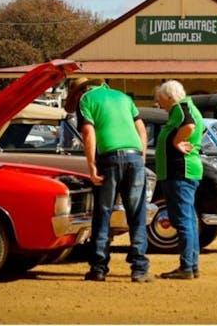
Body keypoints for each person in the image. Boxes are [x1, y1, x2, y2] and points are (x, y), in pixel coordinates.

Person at [64, 76, 153, 283]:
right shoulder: (123, 97)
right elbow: (141, 128)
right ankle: (139, 269)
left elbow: (88, 133)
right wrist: (141, 155)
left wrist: (92, 166)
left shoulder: (86, 100)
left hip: (109, 158)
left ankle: (99, 268)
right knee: (137, 214)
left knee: (103, 214)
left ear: (80, 91)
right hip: (134, 156)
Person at [154, 79, 204, 280]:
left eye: (161, 101)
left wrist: (176, 141)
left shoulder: (180, 108)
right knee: (188, 220)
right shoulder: (188, 107)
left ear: (169, 97)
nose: (160, 105)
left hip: (179, 170)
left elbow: (189, 125)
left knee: (183, 220)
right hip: (185, 170)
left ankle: (187, 267)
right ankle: (191, 265)